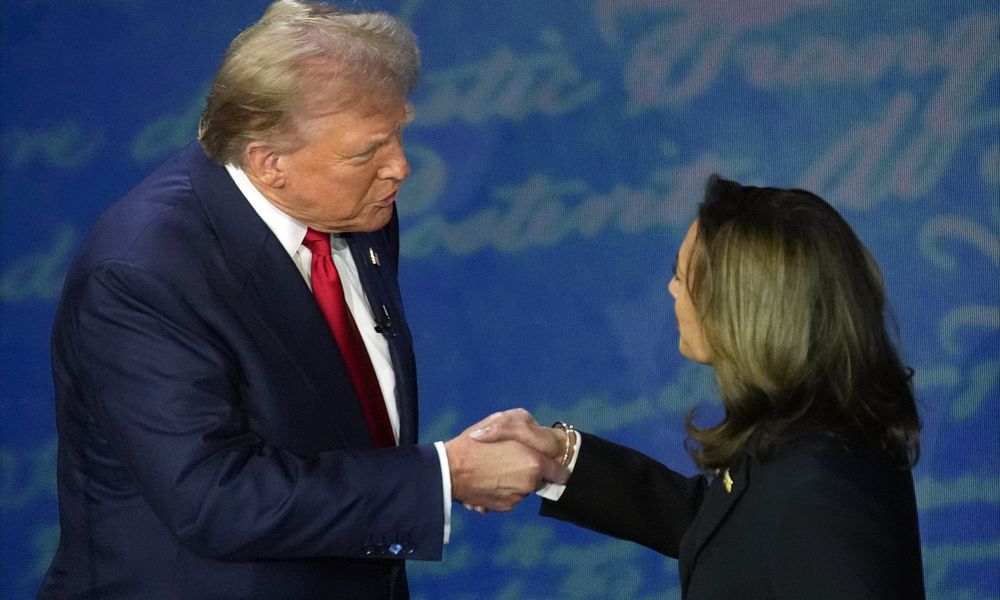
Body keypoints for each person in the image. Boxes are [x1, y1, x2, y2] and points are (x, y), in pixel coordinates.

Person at [39, 2, 565, 599]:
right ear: (269, 163)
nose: (400, 167)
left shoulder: (354, 204)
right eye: (368, 151)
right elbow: (215, 498)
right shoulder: (142, 272)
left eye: (399, 132)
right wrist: (445, 477)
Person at [471, 175, 926, 599]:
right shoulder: (804, 433)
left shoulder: (821, 493)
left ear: (742, 310)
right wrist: (561, 456)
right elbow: (727, 530)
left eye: (682, 276)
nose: (671, 289)